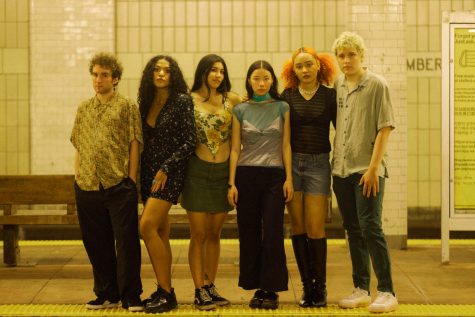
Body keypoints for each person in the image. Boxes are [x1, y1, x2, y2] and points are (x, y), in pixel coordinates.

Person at [70, 52, 144, 312]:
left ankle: (131, 295)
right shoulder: (83, 108)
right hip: (88, 185)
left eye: (104, 75)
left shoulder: (126, 107)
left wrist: (132, 181)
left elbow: (135, 144)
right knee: (96, 242)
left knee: (126, 242)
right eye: (95, 74)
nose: (98, 79)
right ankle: (105, 293)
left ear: (115, 79)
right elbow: (78, 143)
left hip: (118, 184)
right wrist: (78, 175)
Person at [331, 31, 398, 313]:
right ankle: (361, 288)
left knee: (371, 228)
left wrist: (373, 169)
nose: (346, 61)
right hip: (341, 170)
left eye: (351, 55)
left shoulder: (377, 85)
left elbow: (385, 128)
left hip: (367, 171)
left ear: (362, 55)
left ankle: (387, 290)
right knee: (352, 229)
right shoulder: (338, 85)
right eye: (341, 56)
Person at [228, 60, 293, 310]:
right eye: (256, 78)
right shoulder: (240, 110)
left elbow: (286, 145)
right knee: (249, 233)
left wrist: (289, 178)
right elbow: (235, 148)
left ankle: (272, 288)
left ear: (272, 81)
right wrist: (231, 183)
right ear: (249, 81)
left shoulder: (282, 107)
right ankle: (256, 287)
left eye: (266, 78)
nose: (261, 83)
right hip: (246, 176)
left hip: (275, 176)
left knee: (274, 232)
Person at [180, 54, 242, 310]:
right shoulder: (187, 100)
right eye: (213, 70)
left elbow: (237, 143)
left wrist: (232, 181)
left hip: (221, 174)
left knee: (215, 233)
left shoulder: (233, 100)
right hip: (196, 172)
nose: (218, 75)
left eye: (221, 70)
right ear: (203, 72)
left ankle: (210, 285)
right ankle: (198, 288)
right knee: (199, 233)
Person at [138, 55, 196, 314]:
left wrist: (167, 168)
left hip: (168, 173)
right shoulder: (146, 102)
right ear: (150, 74)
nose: (161, 74)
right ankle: (164, 289)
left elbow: (189, 141)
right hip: (147, 172)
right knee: (160, 233)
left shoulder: (182, 102)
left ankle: (167, 292)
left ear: (174, 75)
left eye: (167, 70)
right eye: (157, 70)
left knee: (146, 226)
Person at [281, 47, 337, 308]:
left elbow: (342, 132)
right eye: (299, 66)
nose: (304, 70)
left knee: (316, 228)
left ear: (319, 66)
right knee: (298, 228)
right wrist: (286, 175)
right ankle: (307, 286)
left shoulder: (330, 96)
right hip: (293, 166)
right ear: (293, 71)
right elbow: (283, 138)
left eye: (308, 65)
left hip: (318, 166)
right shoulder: (288, 96)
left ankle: (320, 287)